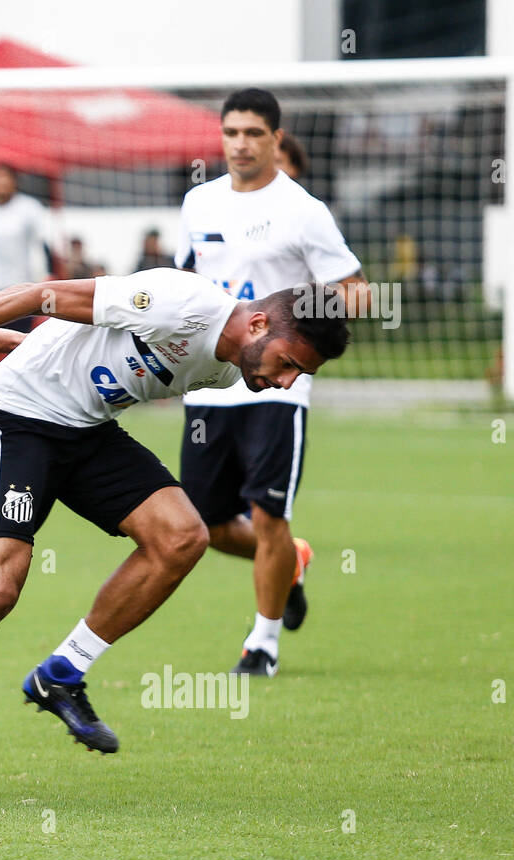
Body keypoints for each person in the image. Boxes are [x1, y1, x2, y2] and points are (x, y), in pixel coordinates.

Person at [0, 267, 350, 801]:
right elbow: (40, 294)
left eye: (298, 375)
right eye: (289, 364)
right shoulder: (180, 303)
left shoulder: (226, 373)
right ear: (259, 322)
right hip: (20, 417)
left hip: (88, 431)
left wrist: (31, 343)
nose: (286, 383)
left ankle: (63, 672)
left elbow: (107, 352)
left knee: (182, 536)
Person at [175, 88, 370, 678]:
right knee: (203, 525)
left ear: (276, 139)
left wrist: (293, 323)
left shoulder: (303, 211)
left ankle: (262, 644)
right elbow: (188, 280)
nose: (240, 143)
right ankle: (294, 563)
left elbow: (357, 291)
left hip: (277, 390)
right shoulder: (197, 204)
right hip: (209, 385)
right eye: (231, 132)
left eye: (253, 133)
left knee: (268, 518)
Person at [0, 162, 53, 377]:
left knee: (21, 345)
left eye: (6, 178)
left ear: (15, 183)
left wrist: (47, 276)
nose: (1, 183)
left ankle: (21, 394)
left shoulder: (29, 208)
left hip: (21, 289)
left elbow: (43, 246)